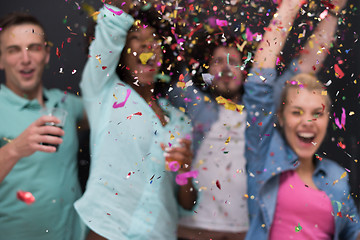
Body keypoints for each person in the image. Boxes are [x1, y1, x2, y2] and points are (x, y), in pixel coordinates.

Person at [74, 1, 198, 239]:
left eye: (153, 37)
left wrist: (184, 172)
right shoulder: (104, 91)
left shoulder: (180, 121)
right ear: (121, 51)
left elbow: (188, 202)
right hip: (107, 231)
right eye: (135, 38)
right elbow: (108, 34)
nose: (146, 44)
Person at [244, 0, 360, 239]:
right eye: (296, 112)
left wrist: (333, 9)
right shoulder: (264, 153)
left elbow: (353, 231)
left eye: (317, 113)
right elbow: (259, 81)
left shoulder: (337, 177)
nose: (307, 121)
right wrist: (290, 5)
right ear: (281, 117)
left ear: (328, 119)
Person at [0, 13, 86, 240]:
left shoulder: (66, 103)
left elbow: (107, 110)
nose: (25, 58)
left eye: (34, 48)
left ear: (46, 55)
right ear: (1, 59)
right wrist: (15, 149)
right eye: (13, 50)